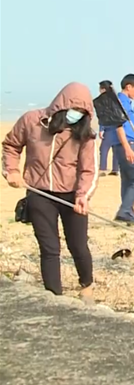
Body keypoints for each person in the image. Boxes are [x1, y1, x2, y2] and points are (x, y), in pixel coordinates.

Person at [1, 82, 100, 302]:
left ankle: (86, 285)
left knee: (78, 244)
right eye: (75, 110)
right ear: (60, 106)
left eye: (83, 113)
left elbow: (89, 170)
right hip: (39, 193)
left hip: (72, 195)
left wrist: (83, 195)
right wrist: (12, 171)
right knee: (49, 247)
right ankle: (54, 297)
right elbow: (11, 145)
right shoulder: (31, 121)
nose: (77, 116)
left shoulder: (86, 135)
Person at [110, 74, 134, 226]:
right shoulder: (120, 102)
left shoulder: (126, 102)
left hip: (129, 142)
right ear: (128, 87)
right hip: (127, 143)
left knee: (128, 179)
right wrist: (127, 147)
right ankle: (125, 210)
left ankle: (128, 212)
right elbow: (119, 126)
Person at [97, 80, 119, 176]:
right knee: (115, 148)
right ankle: (115, 169)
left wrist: (101, 129)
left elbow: (103, 116)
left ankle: (102, 168)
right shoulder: (116, 98)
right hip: (118, 126)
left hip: (108, 127)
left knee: (104, 148)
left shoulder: (102, 100)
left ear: (103, 89)